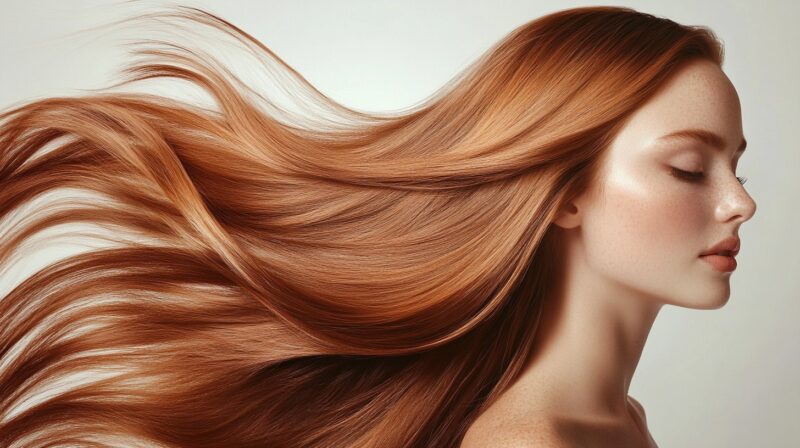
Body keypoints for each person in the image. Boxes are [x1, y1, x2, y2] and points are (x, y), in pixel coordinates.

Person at [0, 5, 755, 448]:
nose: (740, 203)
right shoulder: (531, 444)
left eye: (736, 166)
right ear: (563, 193)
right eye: (690, 168)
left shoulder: (617, 420)